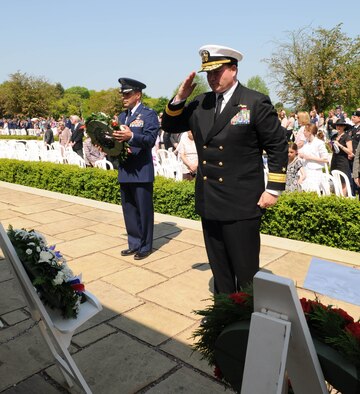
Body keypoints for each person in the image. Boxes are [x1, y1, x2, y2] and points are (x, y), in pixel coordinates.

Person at [162, 44, 288, 294]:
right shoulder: (201, 103)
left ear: (234, 69)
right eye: (208, 73)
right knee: (219, 269)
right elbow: (170, 124)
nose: (212, 78)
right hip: (210, 200)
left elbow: (277, 145)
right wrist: (180, 97)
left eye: (217, 72)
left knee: (246, 271)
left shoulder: (254, 101)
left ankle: (247, 320)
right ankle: (224, 316)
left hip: (241, 202)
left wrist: (273, 189)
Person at [112, 78, 159, 260]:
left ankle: (145, 246)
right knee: (129, 209)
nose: (123, 97)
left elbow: (150, 140)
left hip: (141, 170)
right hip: (125, 170)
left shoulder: (148, 114)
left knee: (144, 210)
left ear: (137, 95)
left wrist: (132, 136)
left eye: (127, 94)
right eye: (122, 94)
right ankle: (134, 243)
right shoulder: (122, 116)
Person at [298, 124, 329, 193]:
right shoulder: (306, 143)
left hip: (315, 171)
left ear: (310, 132)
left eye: (305, 131)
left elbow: (325, 159)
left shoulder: (319, 143)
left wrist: (309, 157)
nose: (304, 132)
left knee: (313, 191)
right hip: (305, 170)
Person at [329, 118, 353, 196]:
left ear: (344, 127)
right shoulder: (334, 136)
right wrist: (330, 145)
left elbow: (350, 151)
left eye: (341, 126)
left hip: (343, 160)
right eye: (337, 125)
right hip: (335, 159)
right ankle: (337, 196)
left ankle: (342, 197)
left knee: (343, 180)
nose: (339, 127)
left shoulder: (346, 137)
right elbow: (333, 149)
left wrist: (339, 145)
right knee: (335, 179)